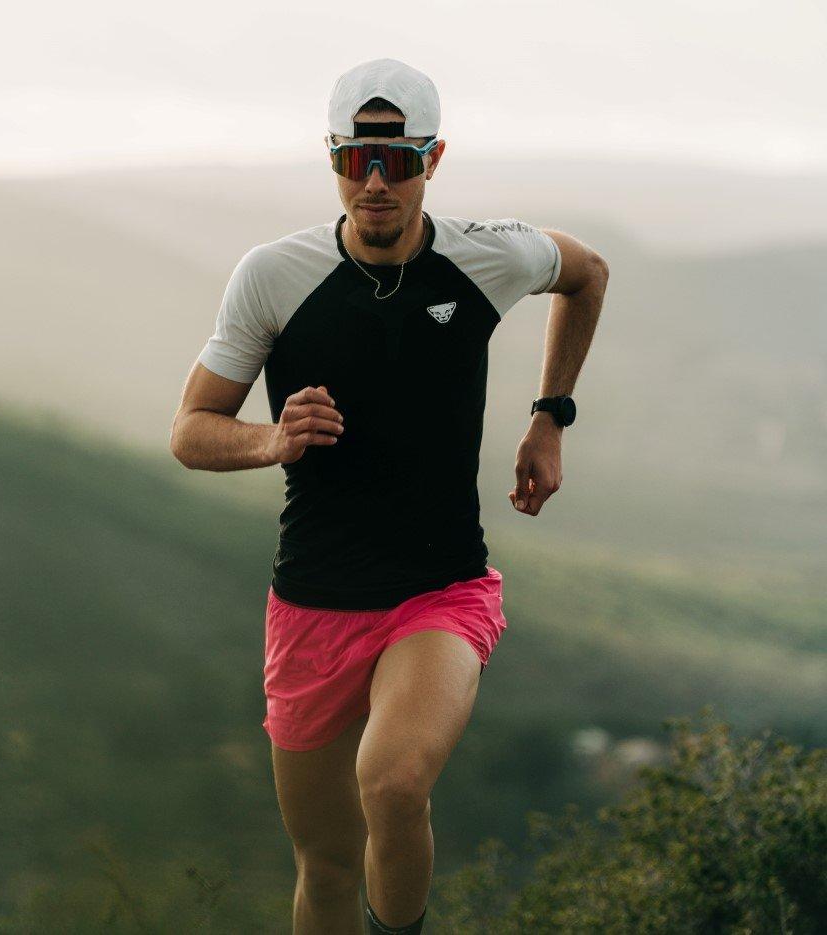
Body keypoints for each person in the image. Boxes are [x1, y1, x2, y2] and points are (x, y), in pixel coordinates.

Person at [171, 57, 608, 935]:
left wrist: (550, 415)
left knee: (395, 782)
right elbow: (191, 429)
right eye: (355, 159)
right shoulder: (273, 275)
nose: (374, 182)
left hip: (440, 592)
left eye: (398, 160)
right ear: (332, 157)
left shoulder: (486, 255)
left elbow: (587, 272)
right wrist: (271, 439)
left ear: (432, 159)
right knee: (327, 866)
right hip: (313, 603)